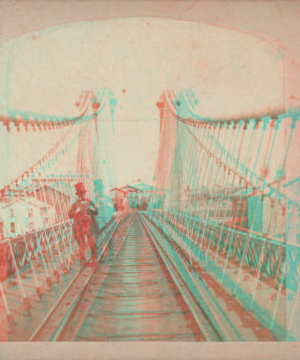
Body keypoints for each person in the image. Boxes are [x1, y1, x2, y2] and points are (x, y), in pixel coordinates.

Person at [69, 182, 100, 267]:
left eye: (83, 193)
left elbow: (96, 212)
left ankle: (94, 260)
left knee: (92, 244)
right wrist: (76, 212)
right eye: (80, 194)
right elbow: (70, 215)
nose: (82, 195)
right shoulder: (74, 205)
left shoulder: (90, 203)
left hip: (89, 227)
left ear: (85, 194)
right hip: (80, 228)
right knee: (81, 245)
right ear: (78, 195)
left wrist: (92, 210)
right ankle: (83, 262)